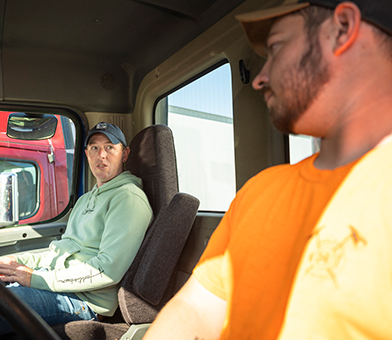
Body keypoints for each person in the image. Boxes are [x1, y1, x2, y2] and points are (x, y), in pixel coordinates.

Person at [144, 0, 392, 339]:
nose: (260, 79)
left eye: (275, 48)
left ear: (343, 29)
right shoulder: (259, 190)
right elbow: (198, 309)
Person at [0, 122, 153, 336]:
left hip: (82, 301)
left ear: (125, 154)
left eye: (110, 147)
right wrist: (20, 263)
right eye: (94, 148)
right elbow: (60, 250)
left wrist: (34, 278)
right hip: (54, 281)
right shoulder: (86, 199)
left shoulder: (127, 198)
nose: (101, 155)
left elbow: (107, 270)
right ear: (86, 154)